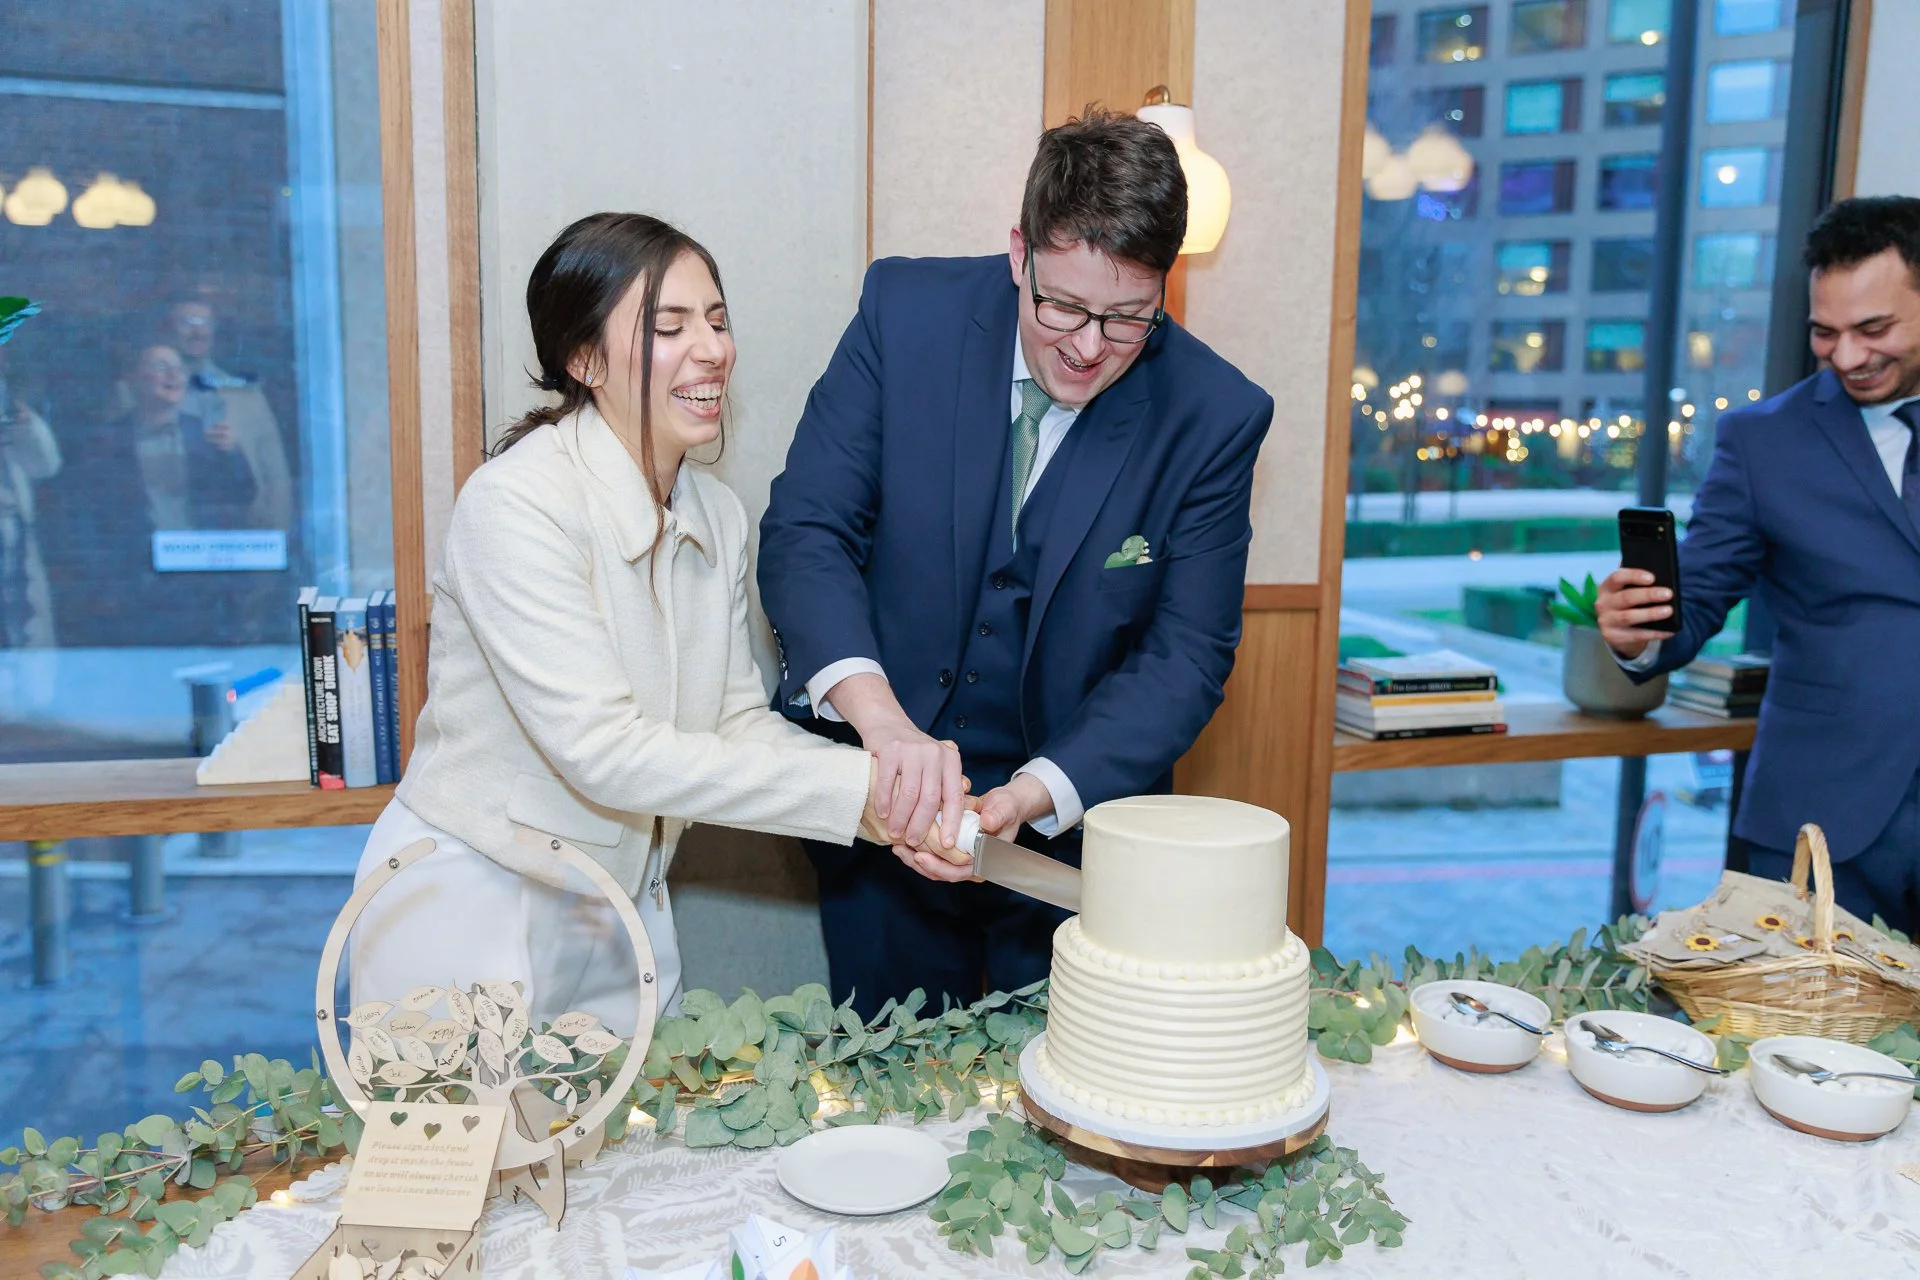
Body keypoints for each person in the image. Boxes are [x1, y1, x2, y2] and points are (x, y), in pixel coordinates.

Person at [349, 213, 941, 1029]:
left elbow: (735, 719)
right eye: (670, 327)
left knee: (618, 1152)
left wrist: (890, 796)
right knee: (459, 1148)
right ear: (583, 360)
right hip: (472, 893)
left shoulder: (720, 515)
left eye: (718, 320)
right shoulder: (516, 504)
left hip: (616, 897)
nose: (712, 349)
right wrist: (855, 791)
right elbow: (602, 751)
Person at [759, 109, 1276, 1016]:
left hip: (1073, 832)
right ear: (1018, 254)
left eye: (1128, 320)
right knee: (893, 1098)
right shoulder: (905, 314)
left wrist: (1035, 795)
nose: (1087, 346)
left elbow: (1186, 654)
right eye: (1063, 306)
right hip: (882, 814)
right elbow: (809, 529)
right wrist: (886, 732)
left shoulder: (1214, 414)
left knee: (1075, 1102)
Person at [1596, 195, 1920, 933]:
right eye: (1825, 333)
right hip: (1819, 819)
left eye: (1874, 329)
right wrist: (1636, 630)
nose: (1847, 357)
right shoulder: (1762, 441)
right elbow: (1698, 598)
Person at [39, 343, 256, 646]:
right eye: (159, 367)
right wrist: (103, 588)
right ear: (132, 379)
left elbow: (243, 495)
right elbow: (84, 522)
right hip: (136, 593)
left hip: (203, 588)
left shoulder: (207, 435)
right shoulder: (104, 443)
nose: (173, 376)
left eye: (179, 369)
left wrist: (232, 453)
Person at [163, 294, 293, 534]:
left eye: (205, 323)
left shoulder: (246, 396)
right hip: (168, 537)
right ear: (168, 328)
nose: (198, 332)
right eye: (187, 323)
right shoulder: (134, 393)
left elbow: (275, 473)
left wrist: (278, 539)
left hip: (242, 538)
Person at [0, 344, 60, 648]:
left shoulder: (12, 406)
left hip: (16, 539)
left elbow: (46, 466)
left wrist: (23, 423)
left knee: (27, 632)